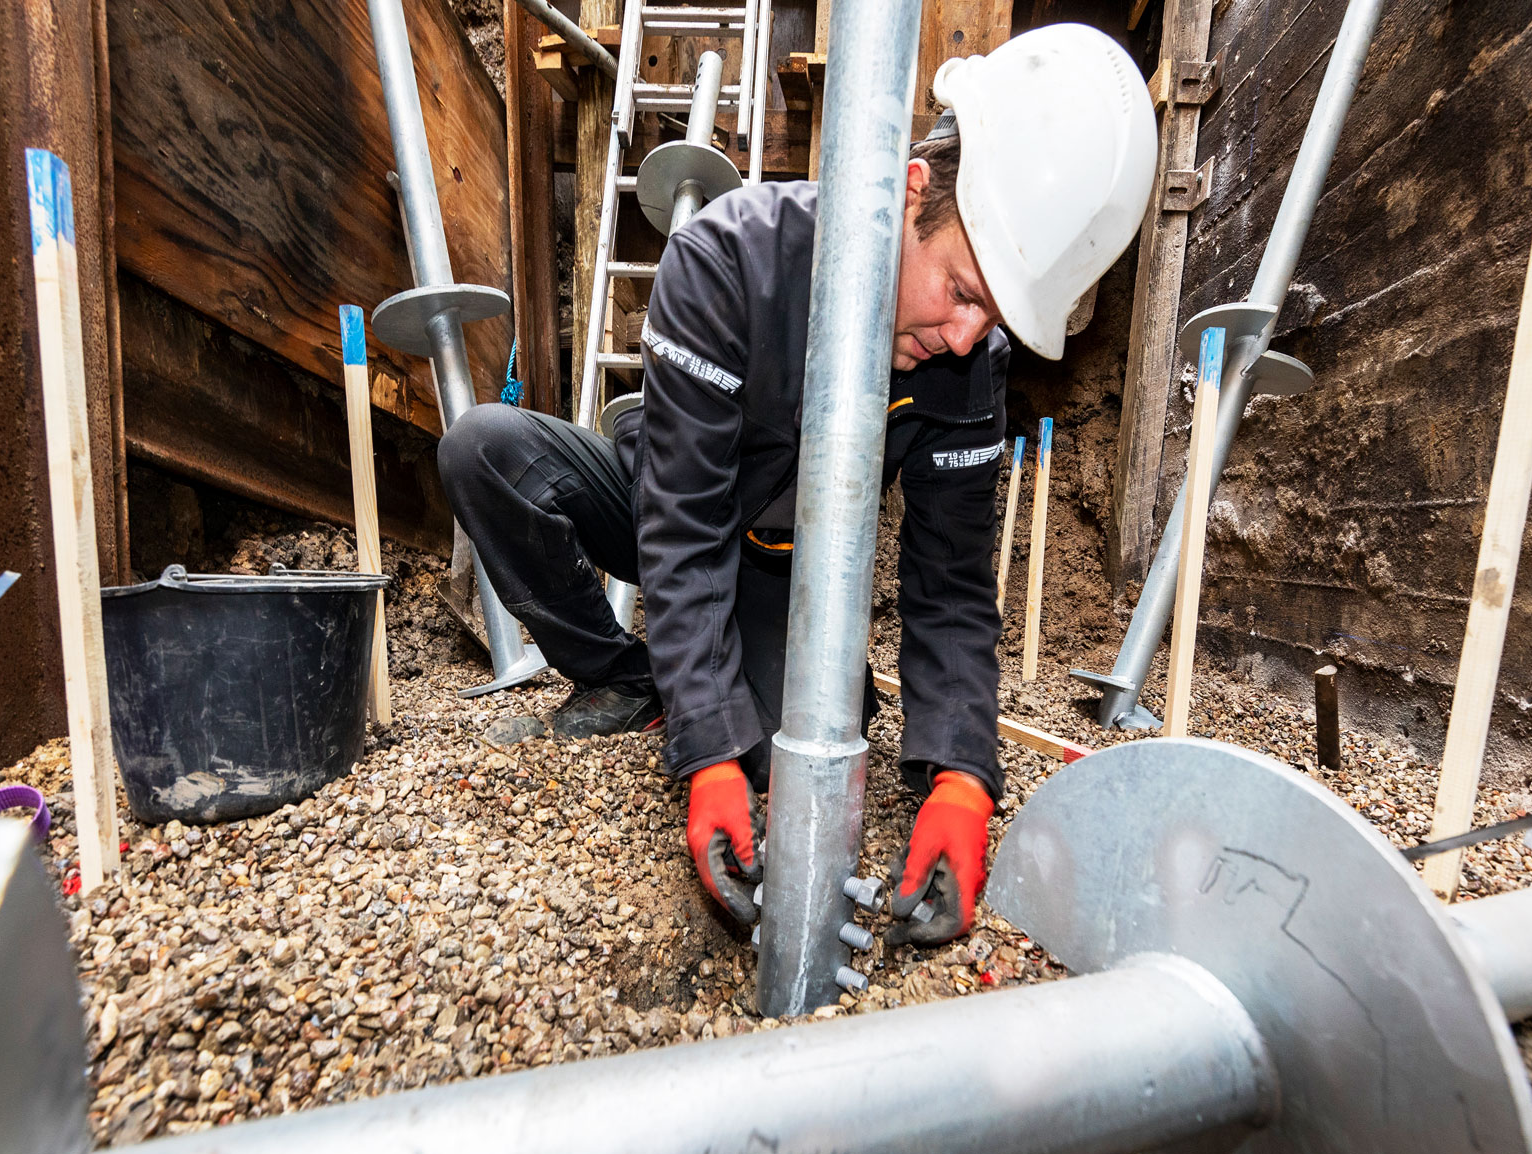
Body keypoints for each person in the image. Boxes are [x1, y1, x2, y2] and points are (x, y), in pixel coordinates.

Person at [437, 24, 1156, 945]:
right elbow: (683, 532)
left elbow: (952, 587)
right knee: (483, 450)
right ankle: (632, 677)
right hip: (666, 503)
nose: (970, 338)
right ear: (912, 192)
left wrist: (965, 779)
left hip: (783, 572)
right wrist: (706, 754)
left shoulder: (971, 366)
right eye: (964, 292)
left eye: (996, 315)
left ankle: (687, 685)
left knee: (811, 733)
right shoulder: (729, 262)